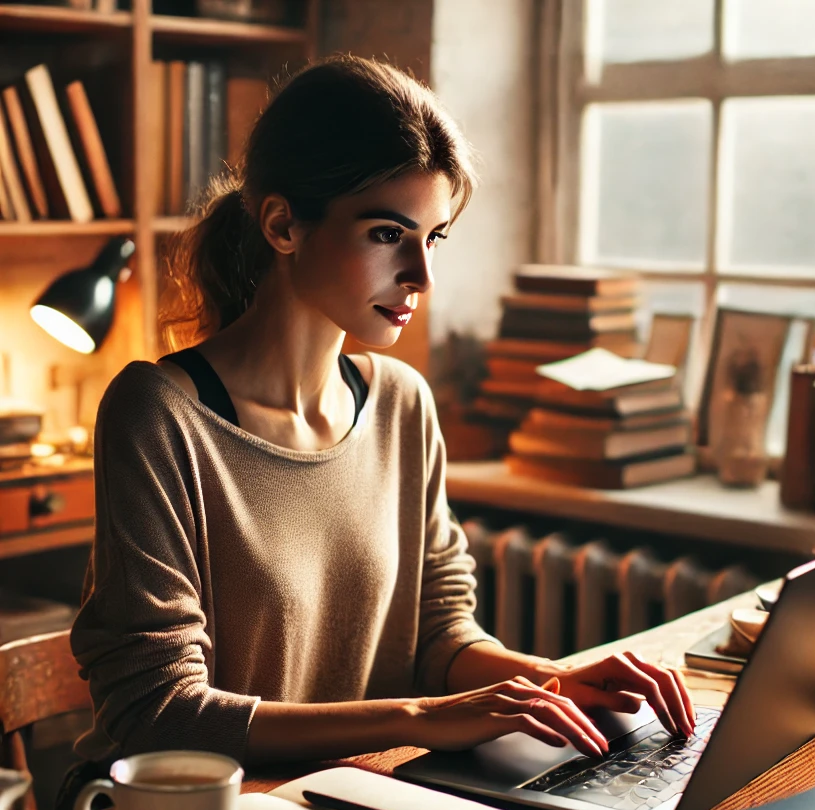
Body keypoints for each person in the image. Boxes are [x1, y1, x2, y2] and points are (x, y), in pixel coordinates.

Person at [70, 55, 694, 773]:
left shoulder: (401, 403)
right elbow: (159, 712)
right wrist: (423, 719)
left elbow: (439, 635)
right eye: (388, 234)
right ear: (282, 225)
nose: (422, 277)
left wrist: (554, 680)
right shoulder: (160, 415)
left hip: (350, 805)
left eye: (433, 238)